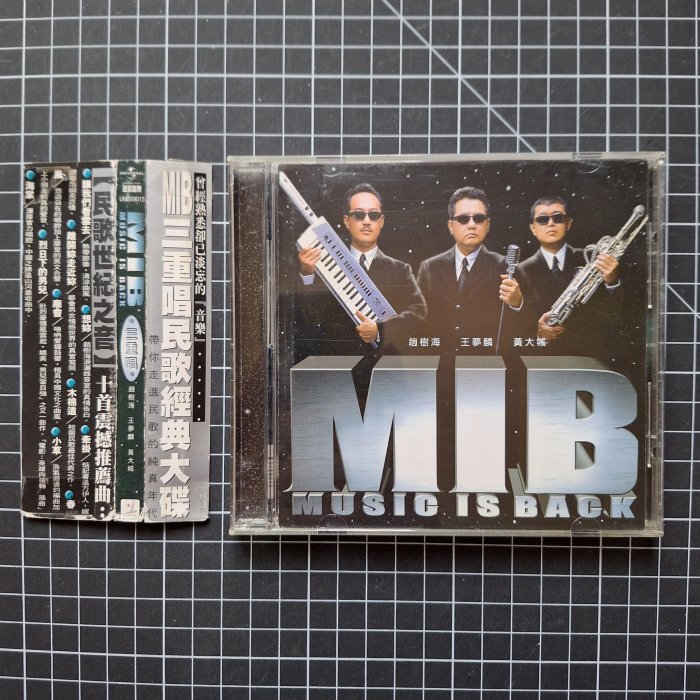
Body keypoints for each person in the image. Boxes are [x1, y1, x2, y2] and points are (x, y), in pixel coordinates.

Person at [297, 183, 426, 354]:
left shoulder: (400, 270)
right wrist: (307, 273)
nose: (366, 221)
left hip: (384, 363)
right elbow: (312, 318)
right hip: (339, 362)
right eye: (358, 215)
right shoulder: (324, 266)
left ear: (381, 221)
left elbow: (418, 314)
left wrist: (380, 329)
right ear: (347, 221)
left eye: (374, 215)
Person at [416, 186, 522, 352]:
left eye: (479, 218)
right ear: (451, 225)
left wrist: (517, 303)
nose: (472, 225)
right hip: (439, 358)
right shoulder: (430, 267)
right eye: (463, 219)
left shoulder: (505, 267)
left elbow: (519, 328)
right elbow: (419, 320)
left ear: (488, 224)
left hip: (484, 359)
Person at [517, 196, 620, 350]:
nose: (550, 223)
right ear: (533, 228)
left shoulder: (594, 259)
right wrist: (536, 332)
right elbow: (513, 322)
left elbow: (614, 313)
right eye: (543, 219)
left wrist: (612, 282)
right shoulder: (521, 271)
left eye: (558, 218)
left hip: (590, 352)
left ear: (568, 223)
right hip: (540, 355)